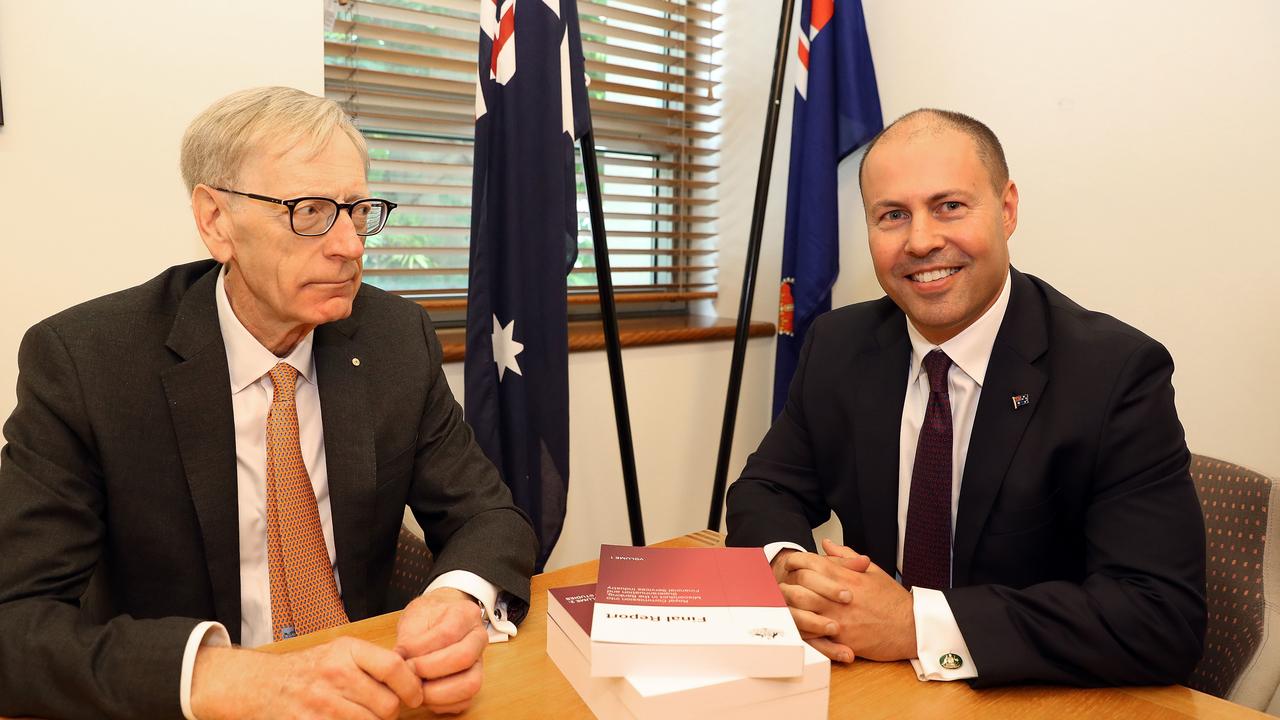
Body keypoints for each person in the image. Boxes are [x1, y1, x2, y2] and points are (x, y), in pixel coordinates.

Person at [0, 87, 538, 719]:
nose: (350, 246)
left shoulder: (394, 339)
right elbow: (15, 622)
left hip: (368, 694)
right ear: (215, 221)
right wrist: (222, 678)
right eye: (309, 211)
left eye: (358, 210)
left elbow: (489, 517)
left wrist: (458, 599)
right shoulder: (88, 363)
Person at [726, 108, 1206, 687]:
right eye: (892, 216)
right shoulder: (839, 345)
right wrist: (791, 573)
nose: (921, 241)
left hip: (1026, 696)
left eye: (949, 206)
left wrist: (915, 623)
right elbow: (765, 488)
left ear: (1007, 210)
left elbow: (1159, 618)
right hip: (878, 686)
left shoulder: (1115, 372)